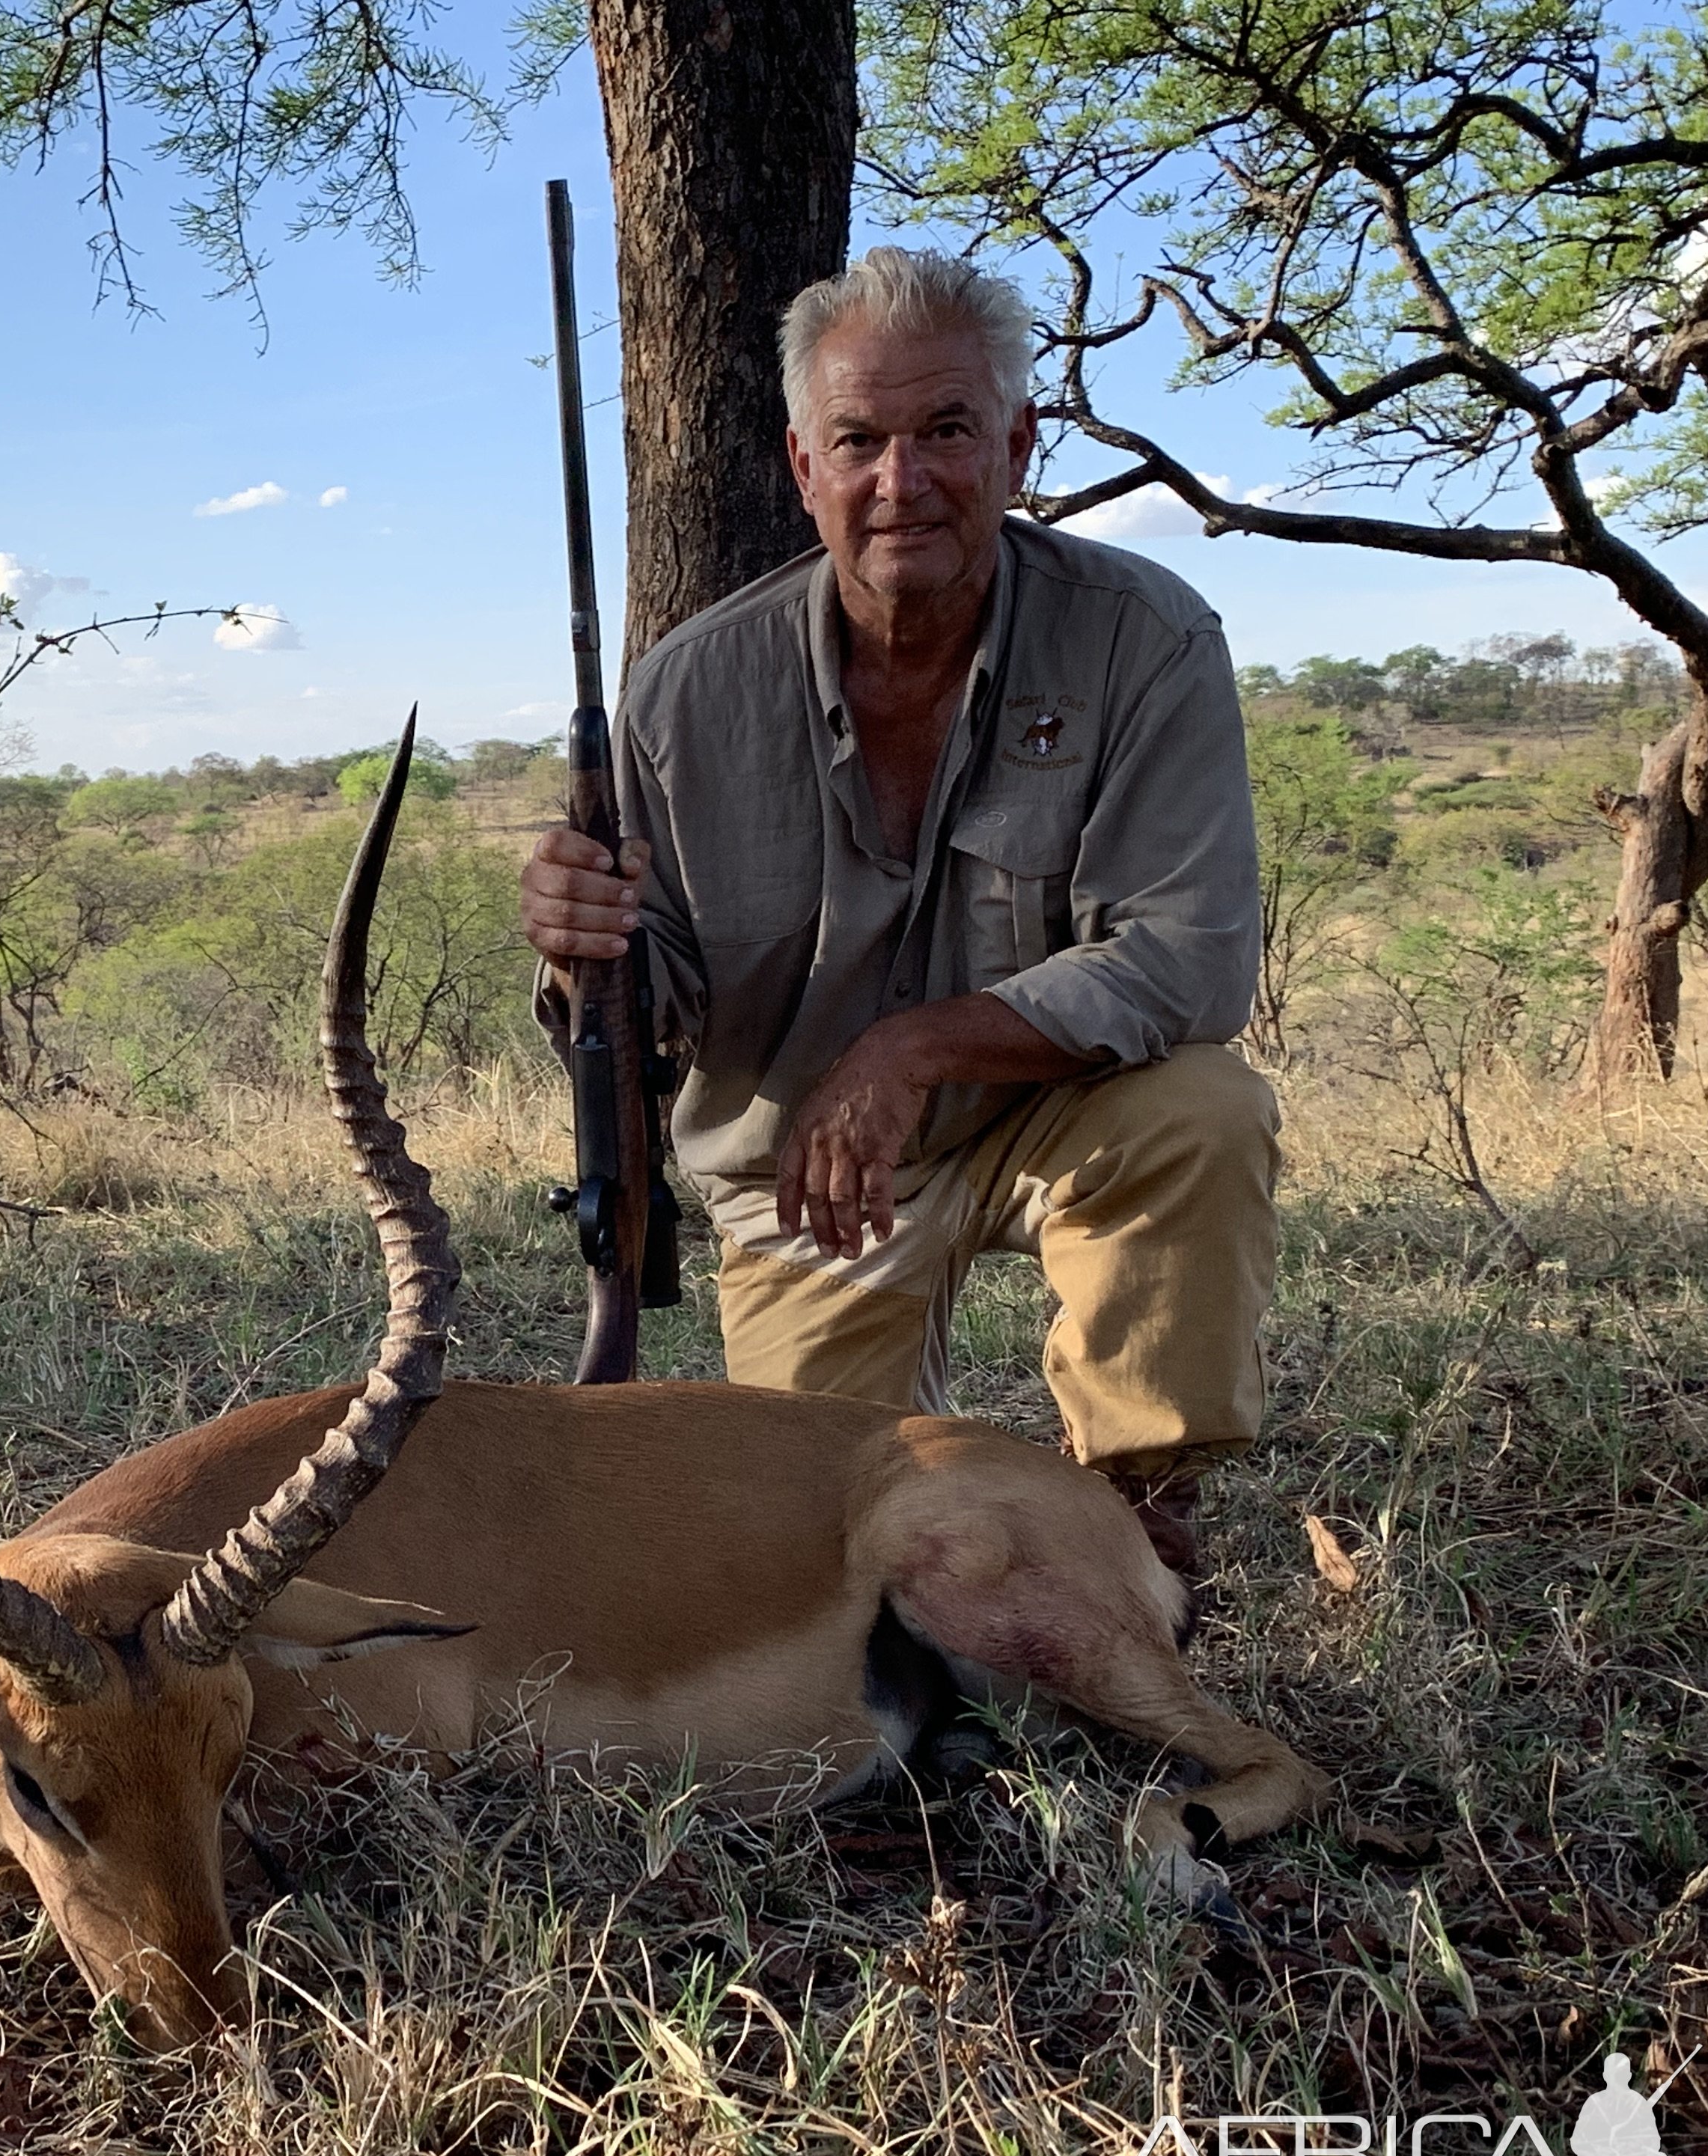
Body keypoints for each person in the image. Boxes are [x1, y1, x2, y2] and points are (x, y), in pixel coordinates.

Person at [522, 246, 1275, 1578]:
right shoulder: (680, 696)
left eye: (946, 431)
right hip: (797, 1173)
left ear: (1018, 445)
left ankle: (1145, 1517)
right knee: (821, 1549)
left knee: (1203, 1109)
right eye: (859, 439)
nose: (902, 481)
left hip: (1047, 1109)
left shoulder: (1144, 637)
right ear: (805, 467)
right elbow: (661, 1013)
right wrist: (587, 946)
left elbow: (1190, 960)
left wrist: (911, 1049)